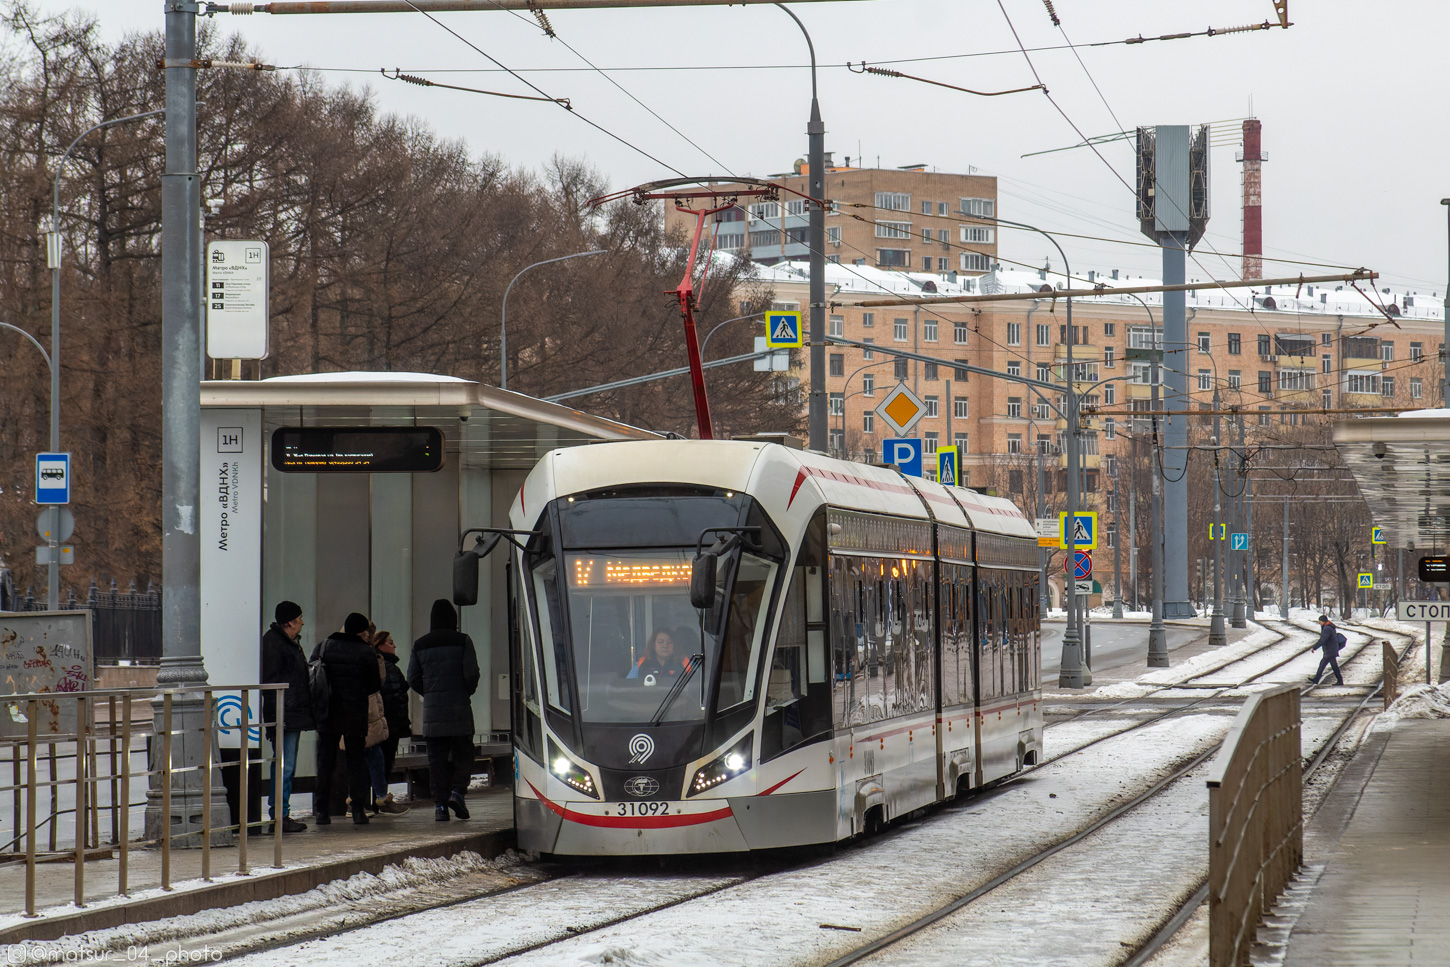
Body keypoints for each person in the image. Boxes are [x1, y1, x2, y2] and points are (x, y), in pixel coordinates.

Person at [408, 599, 480, 822]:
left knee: (436, 760)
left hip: (433, 713)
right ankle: (457, 792)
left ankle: (440, 807)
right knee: (464, 754)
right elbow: (472, 674)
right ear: (454, 620)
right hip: (459, 709)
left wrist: (429, 693)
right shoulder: (463, 640)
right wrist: (465, 691)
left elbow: (412, 677)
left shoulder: (420, 645)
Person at [311, 612, 382, 825]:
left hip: (327, 712)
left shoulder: (323, 646)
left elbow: (313, 672)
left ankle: (322, 811)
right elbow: (374, 685)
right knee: (356, 762)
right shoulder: (366, 652)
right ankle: (358, 810)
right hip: (354, 712)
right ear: (362, 633)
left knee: (326, 762)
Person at [260, 601, 314, 833]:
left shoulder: (286, 642)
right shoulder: (275, 643)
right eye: (299, 617)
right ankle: (280, 816)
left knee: (285, 763)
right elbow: (272, 680)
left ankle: (280, 814)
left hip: (290, 711)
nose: (302, 621)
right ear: (289, 621)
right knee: (285, 763)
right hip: (285, 712)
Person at [365, 631, 412, 815]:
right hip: (387, 724)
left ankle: (374, 800)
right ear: (380, 645)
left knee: (376, 761)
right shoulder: (386, 666)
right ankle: (380, 799)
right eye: (390, 643)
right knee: (382, 762)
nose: (394, 646)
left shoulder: (388, 666)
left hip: (384, 723)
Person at [1309, 614, 1346, 686]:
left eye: (1319, 621)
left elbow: (1323, 640)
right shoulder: (1329, 627)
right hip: (1331, 649)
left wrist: (1315, 647)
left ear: (1323, 621)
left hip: (1330, 650)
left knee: (1323, 664)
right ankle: (1339, 680)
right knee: (1332, 666)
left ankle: (1317, 679)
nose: (1319, 623)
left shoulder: (1327, 629)